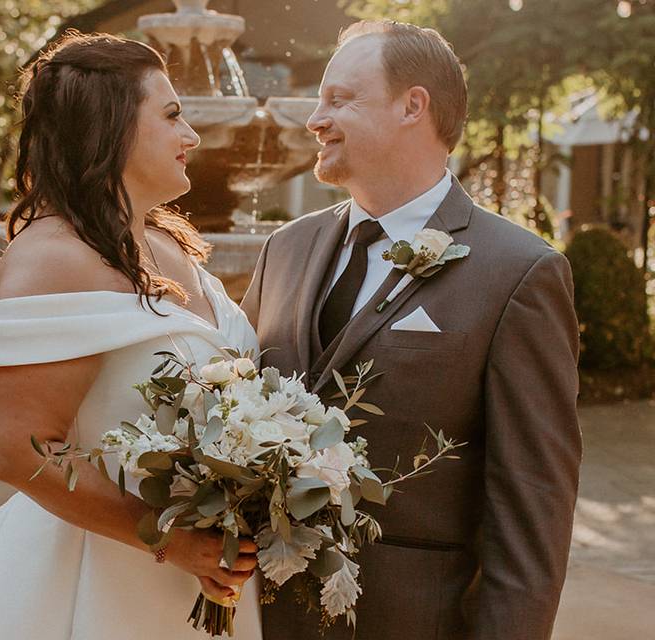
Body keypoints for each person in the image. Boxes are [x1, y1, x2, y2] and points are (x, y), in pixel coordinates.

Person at [0, 31, 263, 640]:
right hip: (100, 583)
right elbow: (21, 450)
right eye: (172, 115)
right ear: (111, 126)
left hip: (201, 578)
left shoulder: (168, 241)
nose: (192, 137)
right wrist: (166, 538)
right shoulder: (48, 261)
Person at [241, 20, 581, 640]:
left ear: (412, 106)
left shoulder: (519, 273)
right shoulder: (283, 250)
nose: (314, 119)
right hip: (262, 619)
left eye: (340, 99)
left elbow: (531, 511)